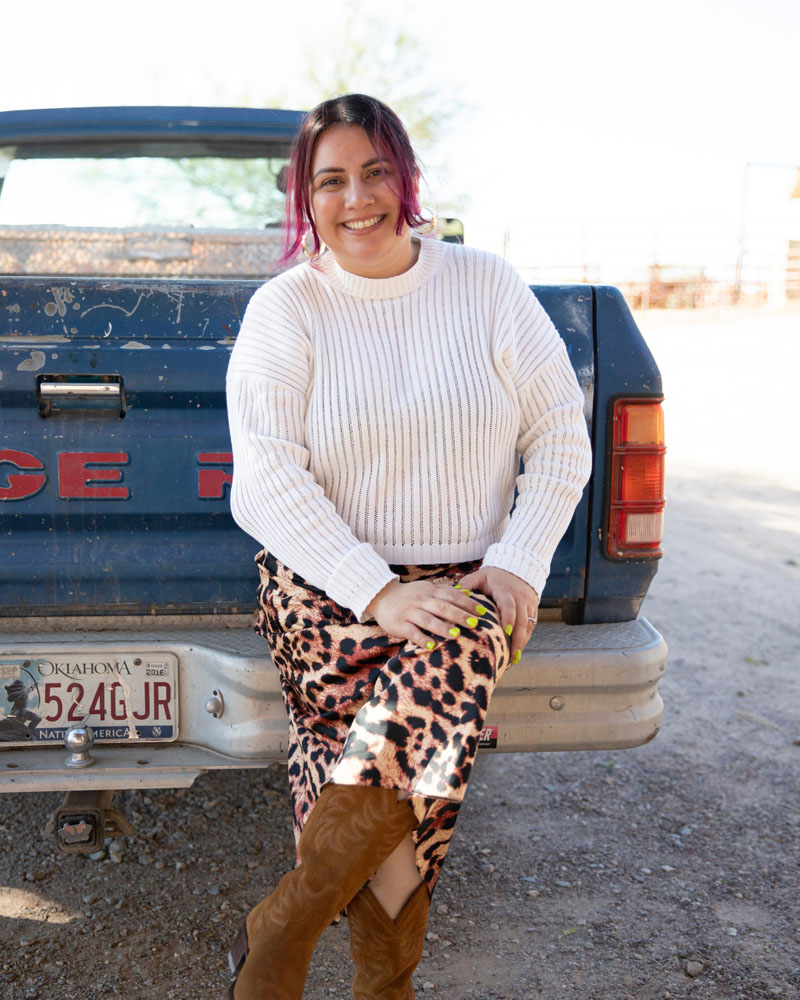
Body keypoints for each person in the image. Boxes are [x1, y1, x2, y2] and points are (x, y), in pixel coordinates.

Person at [224, 93, 592, 1000]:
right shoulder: (287, 310)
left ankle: (284, 929)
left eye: (376, 172)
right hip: (327, 591)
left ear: (406, 178)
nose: (358, 198)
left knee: (448, 654)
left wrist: (517, 561)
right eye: (332, 180)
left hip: (469, 582)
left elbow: (561, 436)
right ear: (305, 199)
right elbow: (266, 479)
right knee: (406, 805)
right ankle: (374, 985)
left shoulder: (488, 285)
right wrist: (376, 590)